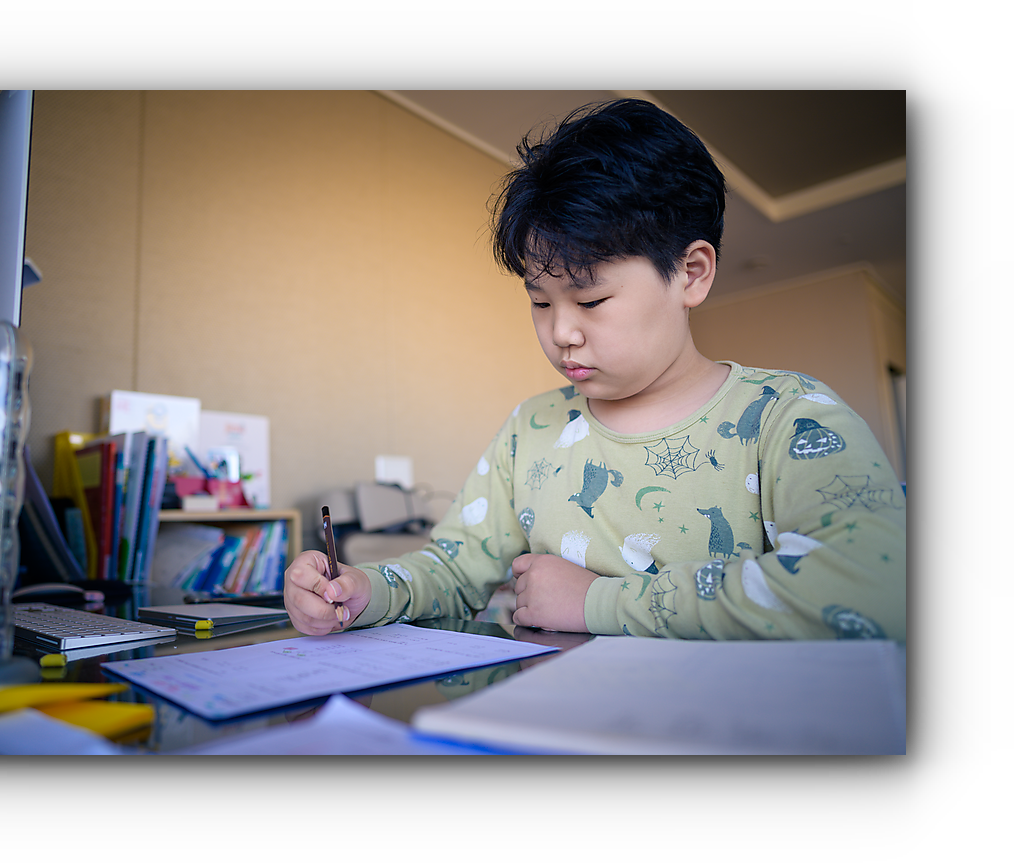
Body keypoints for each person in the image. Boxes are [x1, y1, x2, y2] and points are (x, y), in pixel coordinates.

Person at [284, 99, 906, 641]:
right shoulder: (531, 430)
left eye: (590, 300)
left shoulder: (786, 417)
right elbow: (452, 568)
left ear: (691, 274)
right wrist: (364, 590)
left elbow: (874, 586)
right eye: (539, 302)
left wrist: (597, 602)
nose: (561, 332)